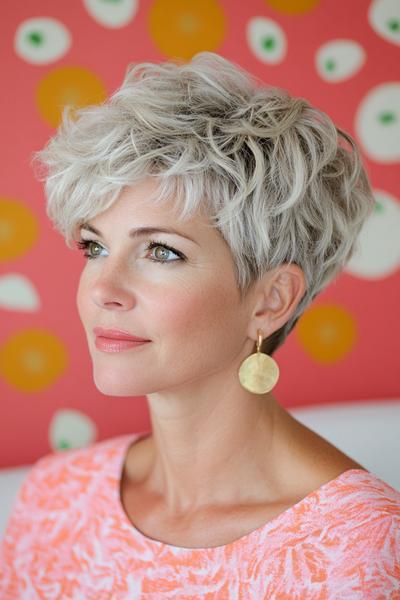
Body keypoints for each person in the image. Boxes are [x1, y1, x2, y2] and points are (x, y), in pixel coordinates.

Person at [1, 52, 399, 598]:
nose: (102, 289)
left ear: (271, 300)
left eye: (161, 252)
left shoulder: (361, 546)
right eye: (95, 246)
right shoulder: (53, 498)